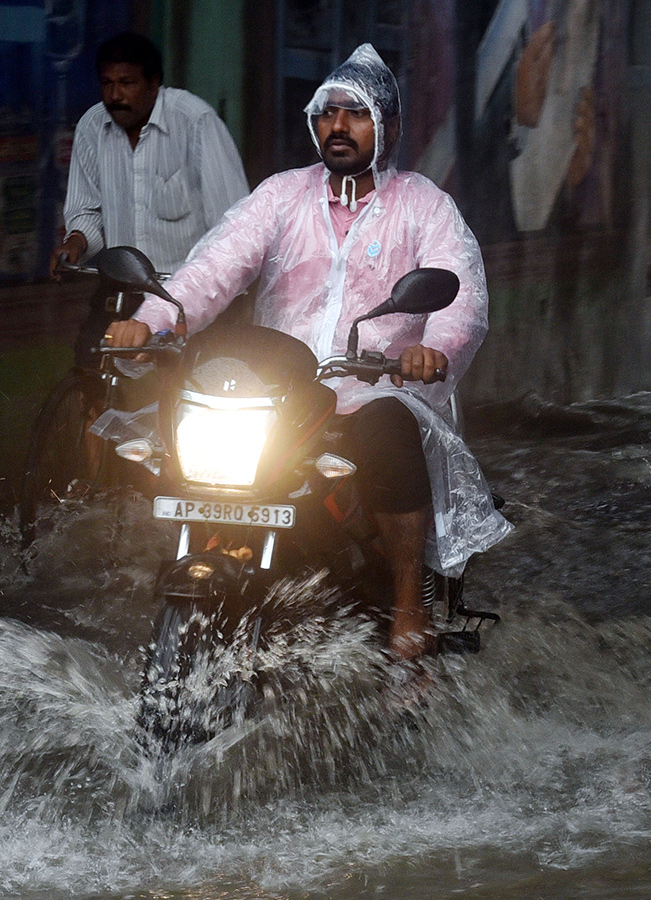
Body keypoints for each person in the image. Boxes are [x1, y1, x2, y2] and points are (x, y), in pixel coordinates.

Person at [106, 44, 512, 688]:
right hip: (280, 393)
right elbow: (214, 268)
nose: (338, 126)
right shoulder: (282, 196)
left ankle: (410, 607)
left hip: (376, 387)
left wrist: (432, 348)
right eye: (327, 113)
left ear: (389, 126)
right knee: (181, 432)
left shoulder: (425, 207)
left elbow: (461, 295)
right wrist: (151, 320)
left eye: (356, 113)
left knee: (387, 431)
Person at [52, 32, 249, 277]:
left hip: (184, 292)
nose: (115, 95)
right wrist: (76, 241)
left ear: (154, 83)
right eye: (107, 83)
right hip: (122, 285)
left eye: (127, 83)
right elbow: (86, 210)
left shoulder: (195, 122)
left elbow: (233, 223)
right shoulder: (92, 127)